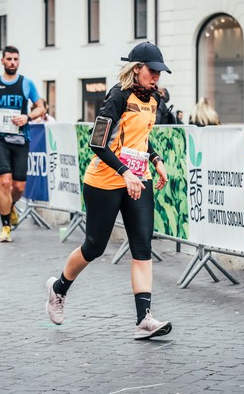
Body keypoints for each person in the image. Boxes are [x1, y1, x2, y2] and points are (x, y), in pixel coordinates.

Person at [45, 41, 172, 340]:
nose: (156, 77)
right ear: (136, 69)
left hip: (137, 180)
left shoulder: (154, 100)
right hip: (104, 181)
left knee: (142, 248)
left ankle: (144, 319)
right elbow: (97, 142)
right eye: (152, 71)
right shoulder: (117, 96)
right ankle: (58, 289)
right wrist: (124, 172)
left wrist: (156, 160)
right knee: (94, 247)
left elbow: (141, 138)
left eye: (160, 73)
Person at [0, 45, 45, 242]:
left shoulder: (26, 84)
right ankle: (5, 226)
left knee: (19, 187)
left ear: (19, 61)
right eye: (9, 59)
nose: (12, 62)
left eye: (16, 59)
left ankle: (11, 205)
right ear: (2, 61)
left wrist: (28, 117)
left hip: (21, 138)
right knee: (4, 182)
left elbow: (41, 106)